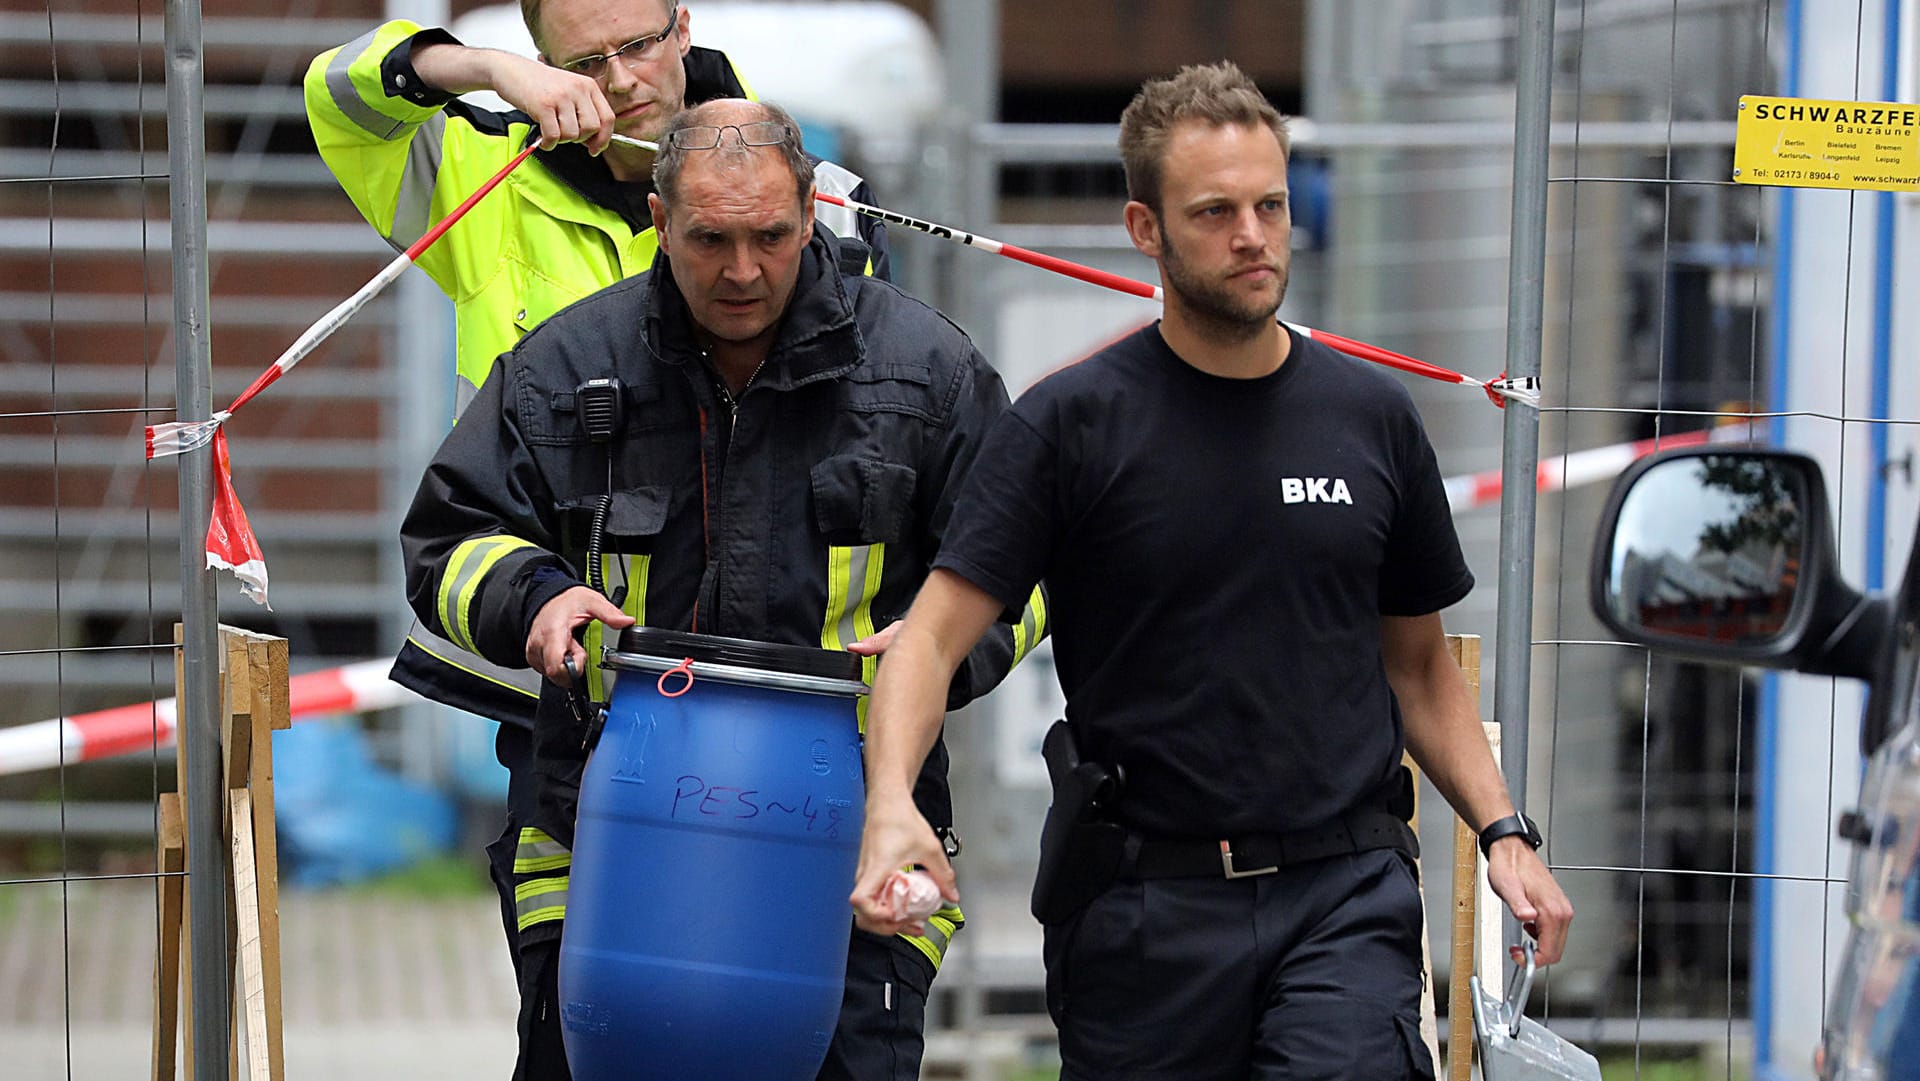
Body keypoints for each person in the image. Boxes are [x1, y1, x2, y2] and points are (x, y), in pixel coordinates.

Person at [849, 61, 1573, 1080]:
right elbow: (928, 637)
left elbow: (1416, 668)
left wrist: (1504, 830)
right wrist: (892, 806)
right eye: (1216, 212)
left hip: (1344, 892)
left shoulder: (1372, 420)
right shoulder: (1070, 424)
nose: (1252, 235)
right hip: (1146, 908)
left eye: (1270, 205)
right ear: (1146, 229)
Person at [401, 98, 1044, 1080]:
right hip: (604, 849)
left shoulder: (925, 375)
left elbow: (1030, 563)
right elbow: (448, 538)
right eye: (710, 239)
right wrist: (535, 597)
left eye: (770, 237)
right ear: (658, 221)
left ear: (812, 216)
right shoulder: (567, 367)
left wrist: (939, 641)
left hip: (855, 851)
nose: (742, 271)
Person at [303, 1, 890, 1056]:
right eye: (583, 60)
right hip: (576, 689)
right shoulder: (480, 178)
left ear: (683, 24)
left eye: (637, 45)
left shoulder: (792, 182)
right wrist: (487, 72)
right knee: (583, 1037)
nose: (619, 81)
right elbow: (335, 93)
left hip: (771, 704)